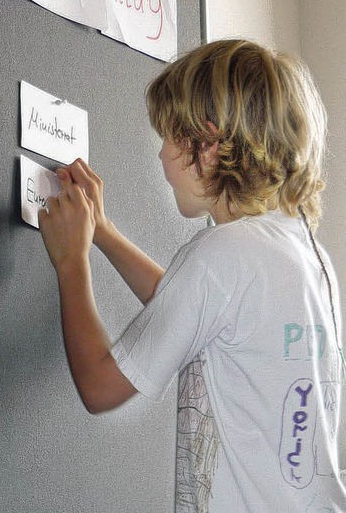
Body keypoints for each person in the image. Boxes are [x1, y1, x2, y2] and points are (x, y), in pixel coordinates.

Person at [38, 39, 345, 512]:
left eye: (169, 137)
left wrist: (71, 261)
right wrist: (103, 234)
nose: (161, 155)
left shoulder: (223, 255)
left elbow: (99, 388)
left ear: (208, 144)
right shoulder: (304, 256)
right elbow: (194, 312)